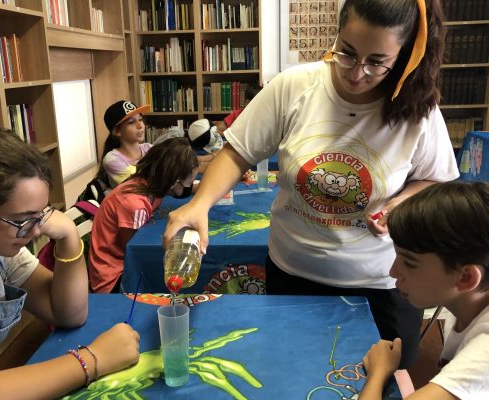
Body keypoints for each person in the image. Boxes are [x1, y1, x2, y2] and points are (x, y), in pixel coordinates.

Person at [163, 0, 459, 369]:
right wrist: (200, 203)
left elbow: (436, 180)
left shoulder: (417, 108)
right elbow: (237, 153)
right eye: (347, 53)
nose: (356, 73)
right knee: (291, 373)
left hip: (382, 285)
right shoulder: (295, 86)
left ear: (404, 57)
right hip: (294, 275)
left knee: (381, 384)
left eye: (377, 62)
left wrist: (401, 203)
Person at [0, 128, 139, 399]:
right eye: (23, 220)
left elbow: (68, 315)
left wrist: (70, 237)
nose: (35, 231)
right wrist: (93, 360)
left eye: (41, 215)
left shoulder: (3, 252)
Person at [360, 181, 489, 400]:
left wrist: (378, 373)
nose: (393, 272)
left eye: (409, 262)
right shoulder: (465, 304)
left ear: (466, 277)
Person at [89, 137, 199, 293]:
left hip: (120, 263)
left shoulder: (149, 183)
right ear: (174, 181)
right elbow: (137, 251)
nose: (189, 187)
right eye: (187, 184)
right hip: (113, 279)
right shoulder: (135, 204)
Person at [95, 100, 151, 189]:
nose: (140, 125)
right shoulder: (111, 159)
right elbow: (140, 185)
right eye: (131, 122)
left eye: (140, 119)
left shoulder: (149, 148)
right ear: (117, 131)